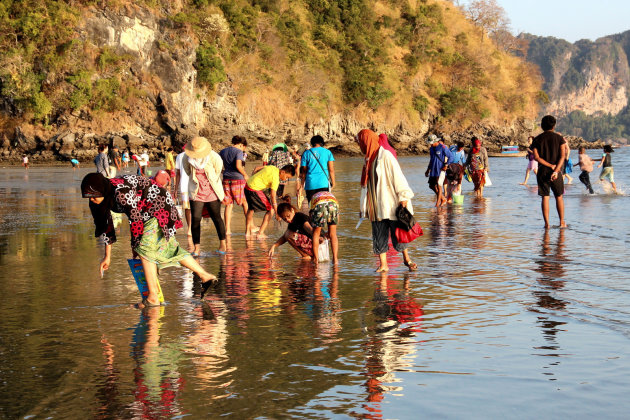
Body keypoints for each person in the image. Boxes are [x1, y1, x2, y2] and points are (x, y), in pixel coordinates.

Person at [81, 173, 216, 307]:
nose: (92, 199)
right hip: (145, 210)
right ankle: (205, 276)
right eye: (88, 197)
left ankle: (152, 296)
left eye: (94, 196)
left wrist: (135, 246)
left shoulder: (120, 193)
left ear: (102, 190)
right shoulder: (96, 201)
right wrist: (107, 256)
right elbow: (105, 226)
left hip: (158, 205)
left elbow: (135, 220)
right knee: (169, 248)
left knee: (144, 248)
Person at [358, 129, 416, 272]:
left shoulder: (386, 156)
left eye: (361, 142)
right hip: (375, 205)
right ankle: (383, 264)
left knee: (398, 231)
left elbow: (398, 176)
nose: (360, 145)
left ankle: (406, 259)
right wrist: (363, 207)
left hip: (389, 202)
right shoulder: (368, 159)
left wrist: (403, 196)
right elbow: (365, 185)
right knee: (378, 234)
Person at [179, 137, 227, 255]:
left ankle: (223, 245)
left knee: (216, 217)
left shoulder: (214, 156)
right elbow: (187, 171)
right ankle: (197, 248)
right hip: (196, 192)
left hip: (212, 191)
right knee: (195, 219)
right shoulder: (187, 157)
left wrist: (210, 180)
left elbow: (218, 169)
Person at [530, 115, 567, 229]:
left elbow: (536, 157)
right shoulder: (559, 138)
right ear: (554, 125)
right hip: (557, 170)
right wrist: (555, 170)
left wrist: (549, 165)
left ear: (542, 126)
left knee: (545, 197)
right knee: (559, 196)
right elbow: (562, 156)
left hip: (542, 171)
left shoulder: (537, 139)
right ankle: (561, 222)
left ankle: (547, 224)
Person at [244, 164, 296, 238]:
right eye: (287, 177)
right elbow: (273, 196)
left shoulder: (272, 167)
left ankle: (247, 232)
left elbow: (257, 168)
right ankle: (260, 233)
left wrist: (253, 176)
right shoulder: (276, 179)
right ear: (282, 172)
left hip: (247, 186)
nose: (286, 179)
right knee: (270, 210)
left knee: (251, 209)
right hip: (254, 189)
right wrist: (276, 213)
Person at [219, 136, 249, 235]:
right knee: (245, 202)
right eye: (244, 148)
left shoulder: (222, 151)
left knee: (229, 204)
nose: (243, 150)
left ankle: (227, 230)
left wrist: (225, 172)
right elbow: (238, 166)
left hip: (226, 179)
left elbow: (218, 165)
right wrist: (245, 175)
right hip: (238, 180)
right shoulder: (238, 152)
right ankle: (249, 228)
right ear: (241, 144)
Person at [300, 135, 336, 203]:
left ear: (312, 143)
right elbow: (331, 170)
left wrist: (301, 185)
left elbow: (304, 171)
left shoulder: (306, 153)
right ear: (322, 142)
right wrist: (333, 183)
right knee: (323, 207)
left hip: (310, 184)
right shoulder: (328, 152)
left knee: (312, 207)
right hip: (323, 183)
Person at [309, 190, 339, 264]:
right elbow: (337, 219)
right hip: (333, 204)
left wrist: (314, 226)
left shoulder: (312, 199)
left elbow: (311, 217)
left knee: (316, 234)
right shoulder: (331, 195)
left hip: (319, 205)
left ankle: (316, 259)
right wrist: (329, 232)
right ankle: (335, 259)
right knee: (333, 234)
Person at [425, 134, 452, 206]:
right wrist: (428, 169)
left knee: (439, 186)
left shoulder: (443, 147)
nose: (430, 144)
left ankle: (437, 204)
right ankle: (443, 198)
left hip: (440, 170)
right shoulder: (431, 149)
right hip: (433, 170)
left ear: (435, 141)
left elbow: (450, 157)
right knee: (431, 185)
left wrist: (446, 165)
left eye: (431, 143)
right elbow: (431, 160)